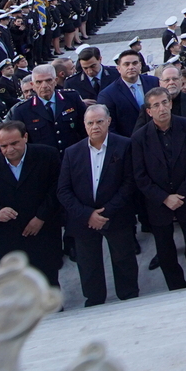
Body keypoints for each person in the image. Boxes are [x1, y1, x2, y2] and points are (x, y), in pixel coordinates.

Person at [58, 104, 139, 307]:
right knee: (89, 265)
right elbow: (63, 190)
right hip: (83, 221)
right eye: (90, 123)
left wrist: (106, 211)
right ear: (84, 126)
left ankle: (129, 297)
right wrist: (87, 215)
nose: (95, 126)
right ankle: (94, 301)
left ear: (109, 122)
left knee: (124, 260)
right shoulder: (71, 153)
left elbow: (129, 183)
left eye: (99, 121)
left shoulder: (124, 145)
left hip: (117, 216)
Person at [131, 87, 186, 290]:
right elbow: (140, 176)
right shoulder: (139, 138)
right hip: (158, 203)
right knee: (165, 250)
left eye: (164, 102)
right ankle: (176, 286)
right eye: (155, 105)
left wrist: (182, 194)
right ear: (148, 111)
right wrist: (164, 198)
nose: (161, 108)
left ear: (170, 103)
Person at [0, 120, 62, 286]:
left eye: (14, 143)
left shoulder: (47, 155)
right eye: (4, 146)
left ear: (25, 137)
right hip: (10, 237)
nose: (10, 149)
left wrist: (41, 217)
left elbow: (56, 189)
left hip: (44, 231)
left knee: (49, 278)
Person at [8, 64, 86, 152]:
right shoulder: (22, 110)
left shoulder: (72, 98)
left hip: (74, 156)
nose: (44, 86)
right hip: (44, 162)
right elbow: (22, 142)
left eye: (48, 80)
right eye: (39, 82)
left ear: (55, 81)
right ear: (32, 85)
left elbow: (84, 128)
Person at [98, 48, 160, 137]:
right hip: (129, 142)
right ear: (119, 69)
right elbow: (109, 127)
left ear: (140, 65)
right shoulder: (108, 95)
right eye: (126, 64)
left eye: (135, 63)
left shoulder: (154, 82)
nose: (131, 67)